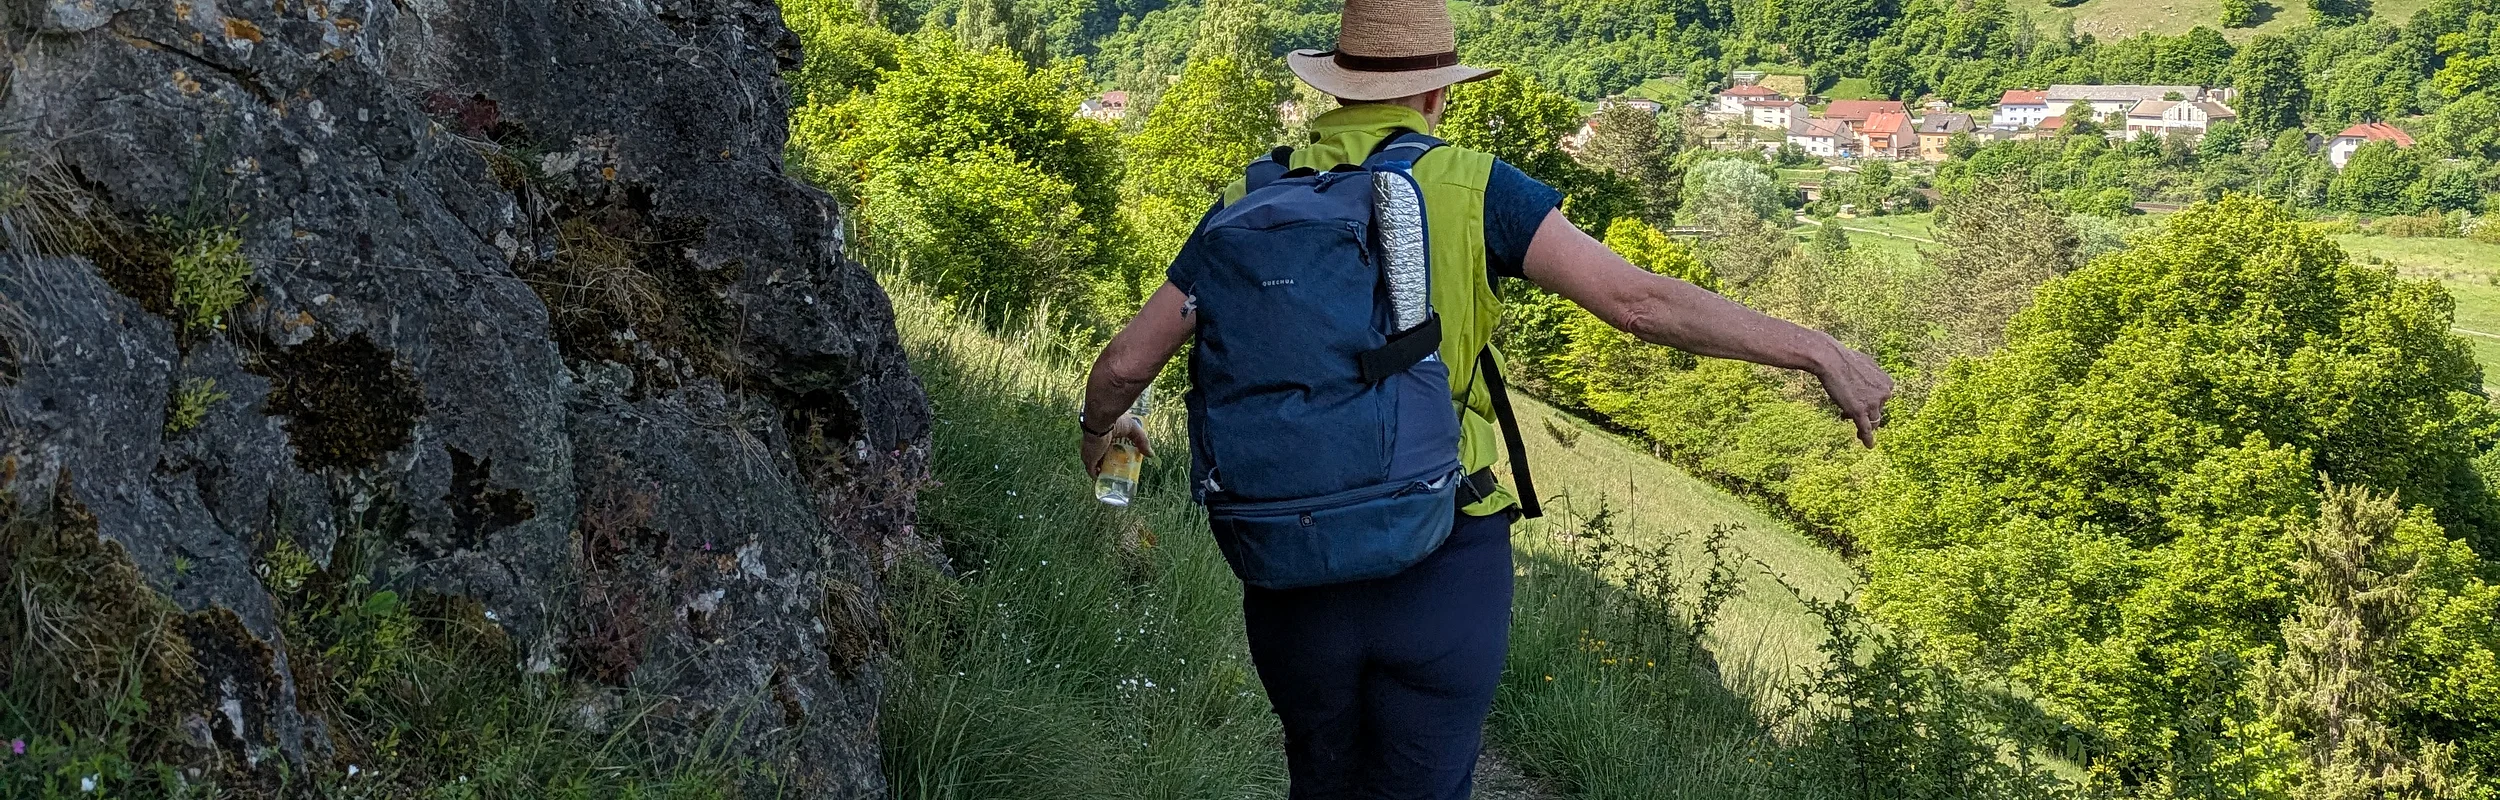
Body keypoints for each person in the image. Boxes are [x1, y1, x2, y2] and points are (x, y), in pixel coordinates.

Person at [1076, 0, 1895, 794]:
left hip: (1288, 558)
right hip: (1443, 547)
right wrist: (1816, 350)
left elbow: (1124, 365)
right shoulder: (1472, 186)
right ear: (1437, 93)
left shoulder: (1246, 199)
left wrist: (1097, 435)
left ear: (1337, 86)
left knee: (1321, 776)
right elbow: (1639, 304)